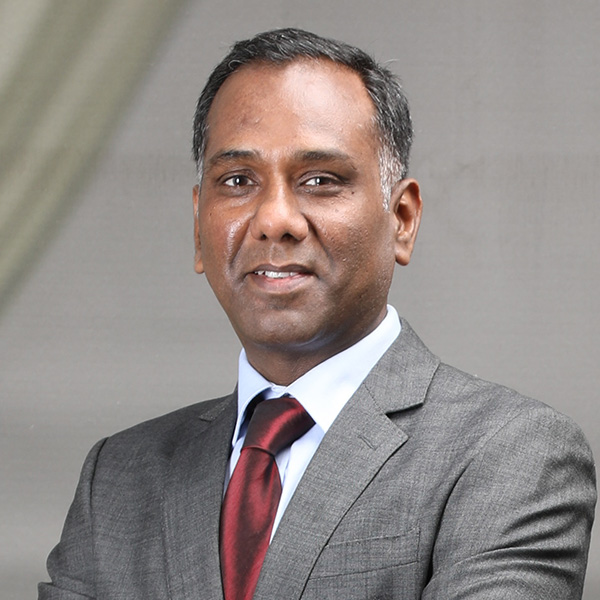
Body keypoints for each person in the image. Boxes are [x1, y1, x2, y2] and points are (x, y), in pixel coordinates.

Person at [39, 28, 596, 600]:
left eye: (320, 181)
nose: (274, 220)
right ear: (199, 227)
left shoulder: (509, 456)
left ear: (402, 219)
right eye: (237, 180)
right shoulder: (118, 478)